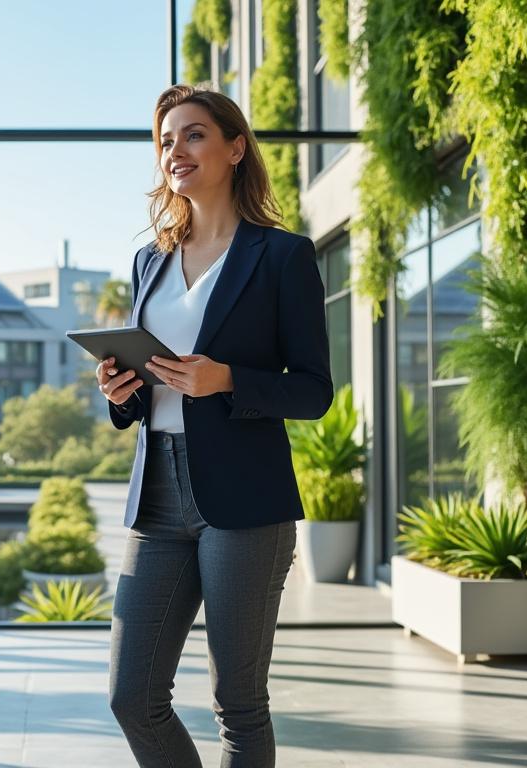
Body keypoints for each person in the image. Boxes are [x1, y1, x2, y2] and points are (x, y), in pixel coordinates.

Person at [98, 84, 334, 767]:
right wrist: (119, 392)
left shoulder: (282, 256)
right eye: (167, 140)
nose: (176, 151)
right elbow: (145, 394)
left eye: (194, 134)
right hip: (159, 496)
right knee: (131, 695)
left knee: (238, 703)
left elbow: (314, 392)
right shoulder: (150, 260)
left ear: (235, 148)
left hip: (246, 503)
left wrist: (226, 379)